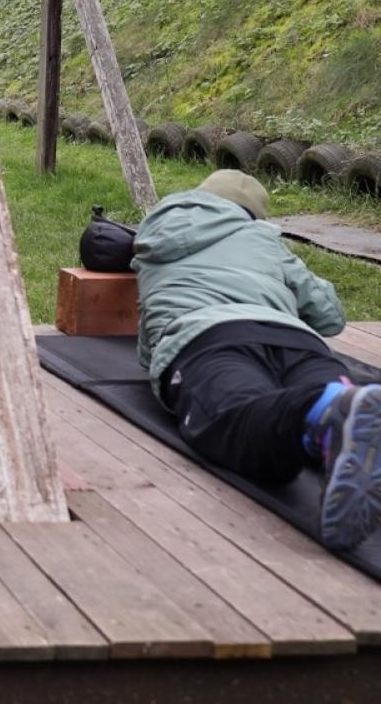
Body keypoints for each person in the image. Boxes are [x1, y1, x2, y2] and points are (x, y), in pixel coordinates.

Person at [133, 168, 379, 550]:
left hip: (209, 337)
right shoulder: (265, 239)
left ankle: (325, 409)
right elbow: (330, 315)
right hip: (296, 340)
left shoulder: (153, 238)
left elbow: (148, 350)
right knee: (346, 400)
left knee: (234, 415)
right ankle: (337, 403)